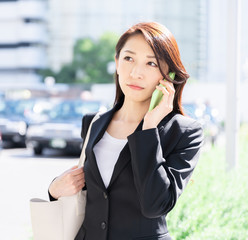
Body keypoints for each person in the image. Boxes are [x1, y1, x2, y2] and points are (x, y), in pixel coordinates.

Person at [48, 22, 204, 240]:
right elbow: (87, 191)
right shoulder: (94, 123)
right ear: (116, 63)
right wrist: (54, 189)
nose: (136, 73)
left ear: (167, 74)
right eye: (128, 58)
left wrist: (149, 128)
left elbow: (155, 205)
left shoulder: (184, 132)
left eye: (151, 63)